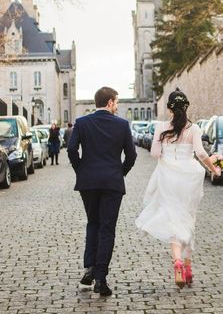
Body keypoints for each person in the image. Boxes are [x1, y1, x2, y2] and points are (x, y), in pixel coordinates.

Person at [135, 90, 221, 288]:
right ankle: (188, 268)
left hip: (168, 178)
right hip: (189, 178)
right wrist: (213, 168)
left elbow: (155, 154)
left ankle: (178, 263)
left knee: (174, 220)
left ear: (169, 108)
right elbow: (200, 153)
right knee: (188, 220)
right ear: (186, 107)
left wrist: (166, 147)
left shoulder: (161, 128)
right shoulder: (194, 129)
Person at [68, 87, 137, 297]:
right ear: (109, 102)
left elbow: (71, 150)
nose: (117, 106)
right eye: (116, 102)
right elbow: (132, 156)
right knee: (107, 229)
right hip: (112, 183)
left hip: (88, 182)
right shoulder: (122, 125)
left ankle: (90, 268)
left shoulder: (82, 123)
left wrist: (81, 170)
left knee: (93, 223)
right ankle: (100, 278)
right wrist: (119, 173)